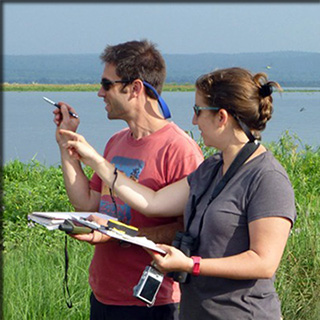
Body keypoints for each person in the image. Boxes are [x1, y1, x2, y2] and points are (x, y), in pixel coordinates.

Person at [60, 66, 297, 319]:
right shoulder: (211, 168)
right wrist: (96, 162)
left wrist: (190, 264)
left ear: (222, 117)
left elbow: (263, 262)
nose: (193, 121)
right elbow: (152, 202)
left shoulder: (267, 178)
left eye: (198, 111)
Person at [54, 40, 204, 320]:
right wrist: (66, 144)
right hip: (104, 294)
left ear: (135, 88)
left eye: (107, 84)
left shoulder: (180, 149)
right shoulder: (116, 141)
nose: (100, 93)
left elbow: (190, 229)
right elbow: (86, 202)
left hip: (153, 302)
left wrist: (120, 235)